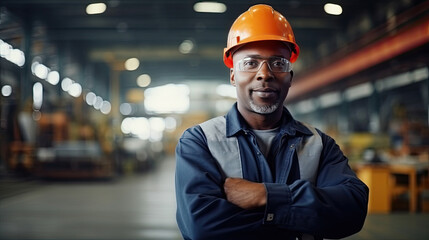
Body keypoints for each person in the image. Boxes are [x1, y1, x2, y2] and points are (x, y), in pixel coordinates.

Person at [175, 4, 368, 240]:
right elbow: (201, 227)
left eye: (278, 63)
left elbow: (352, 211)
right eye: (250, 63)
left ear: (290, 78)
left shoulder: (319, 144)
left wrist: (265, 195)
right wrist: (299, 218)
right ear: (233, 76)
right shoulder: (200, 141)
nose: (265, 73)